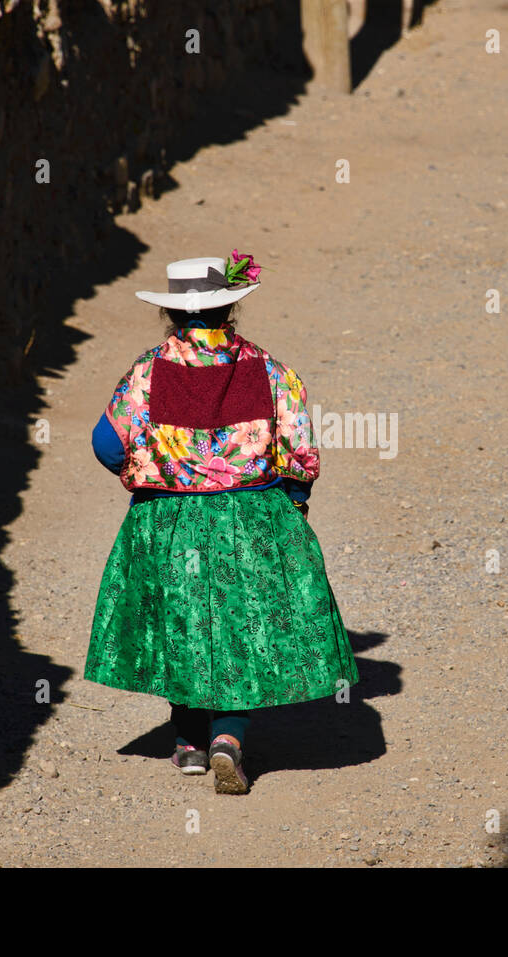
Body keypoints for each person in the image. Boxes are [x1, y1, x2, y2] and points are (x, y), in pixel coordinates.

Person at [84, 252, 359, 794]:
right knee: (241, 626)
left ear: (172, 314)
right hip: (253, 513)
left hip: (170, 515)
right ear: (230, 306)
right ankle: (228, 737)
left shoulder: (148, 370)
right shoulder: (271, 370)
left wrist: (148, 472)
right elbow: (300, 452)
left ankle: (187, 742)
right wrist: (293, 504)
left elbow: (105, 442)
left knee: (181, 618)